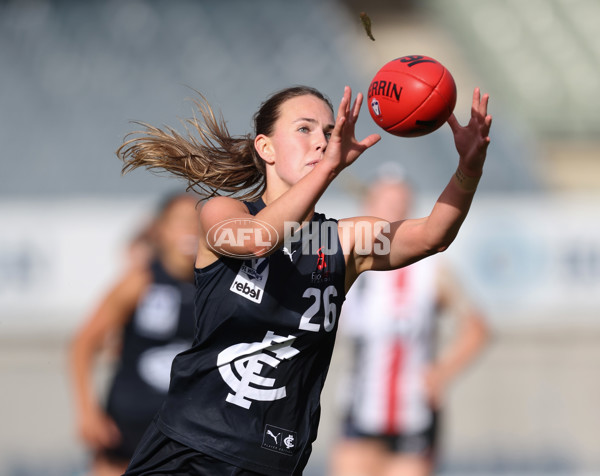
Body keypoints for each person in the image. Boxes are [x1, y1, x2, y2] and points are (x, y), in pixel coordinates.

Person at [115, 84, 491, 475]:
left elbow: (433, 235)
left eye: (330, 133)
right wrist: (328, 167)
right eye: (305, 129)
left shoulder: (343, 241)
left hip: (273, 461)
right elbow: (260, 240)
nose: (322, 142)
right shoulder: (223, 213)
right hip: (189, 449)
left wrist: (469, 167)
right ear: (266, 148)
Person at [329, 168, 489, 476]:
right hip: (360, 408)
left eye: (399, 203)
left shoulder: (431, 270)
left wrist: (442, 372)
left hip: (413, 414)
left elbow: (476, 326)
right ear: (368, 206)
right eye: (384, 202)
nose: (391, 211)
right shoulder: (350, 263)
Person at [70, 193, 200, 476]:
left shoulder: (219, 288)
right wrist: (87, 411)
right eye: (181, 221)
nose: (190, 230)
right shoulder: (139, 281)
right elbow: (83, 343)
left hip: (187, 433)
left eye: (197, 222)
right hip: (126, 430)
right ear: (161, 230)